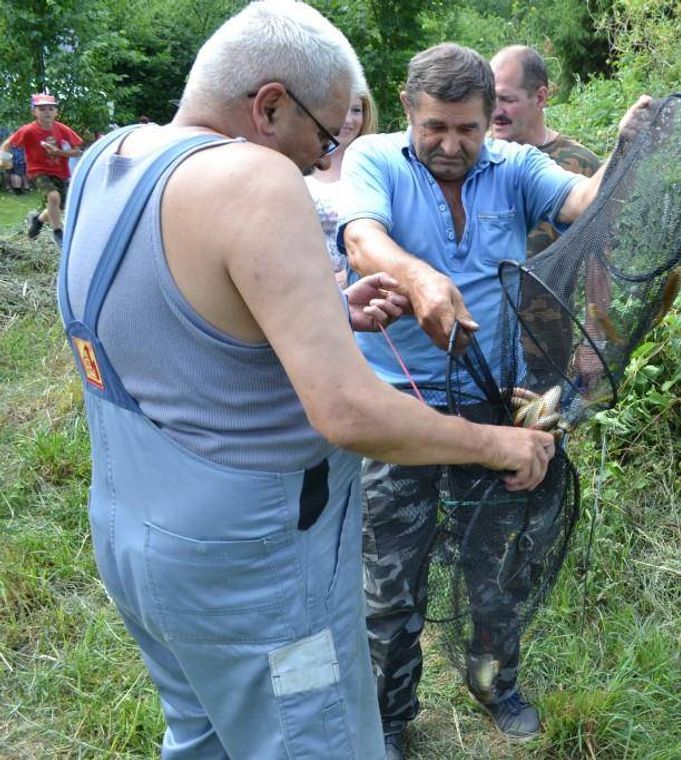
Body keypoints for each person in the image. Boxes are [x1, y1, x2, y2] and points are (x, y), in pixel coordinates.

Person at [58, 4, 555, 759]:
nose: (319, 160)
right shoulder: (254, 178)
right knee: (313, 740)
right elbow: (348, 413)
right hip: (256, 574)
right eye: (324, 138)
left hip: (135, 537)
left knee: (205, 736)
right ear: (268, 105)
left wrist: (324, 312)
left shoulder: (109, 157)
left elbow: (172, 325)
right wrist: (496, 444)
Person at [339, 42, 649, 758]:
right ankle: (389, 715)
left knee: (500, 565)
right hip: (399, 409)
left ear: (490, 120)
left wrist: (625, 152)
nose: (451, 145)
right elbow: (361, 237)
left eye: (468, 130)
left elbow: (581, 202)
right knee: (391, 581)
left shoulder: (514, 168)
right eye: (436, 128)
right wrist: (418, 280)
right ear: (410, 111)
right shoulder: (375, 161)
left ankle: (495, 683)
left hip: (493, 402)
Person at [489, 45, 601, 257]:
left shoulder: (582, 165)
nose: (495, 111)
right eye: (490, 99)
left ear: (540, 97)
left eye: (507, 99)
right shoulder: (476, 156)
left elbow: (599, 257)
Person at [306, 89, 375, 286]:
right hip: (307, 286)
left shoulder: (376, 167)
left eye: (356, 110)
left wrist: (348, 279)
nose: (348, 120)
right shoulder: (299, 162)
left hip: (363, 286)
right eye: (341, 110)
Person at [0, 93, 83, 245]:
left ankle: (37, 220)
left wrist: (58, 152)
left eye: (51, 109)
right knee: (54, 197)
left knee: (59, 207)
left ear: (56, 112)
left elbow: (77, 151)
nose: (47, 112)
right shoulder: (28, 130)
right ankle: (58, 232)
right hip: (38, 170)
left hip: (60, 172)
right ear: (34, 112)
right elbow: (7, 144)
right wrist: (4, 159)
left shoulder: (63, 129)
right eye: (42, 109)